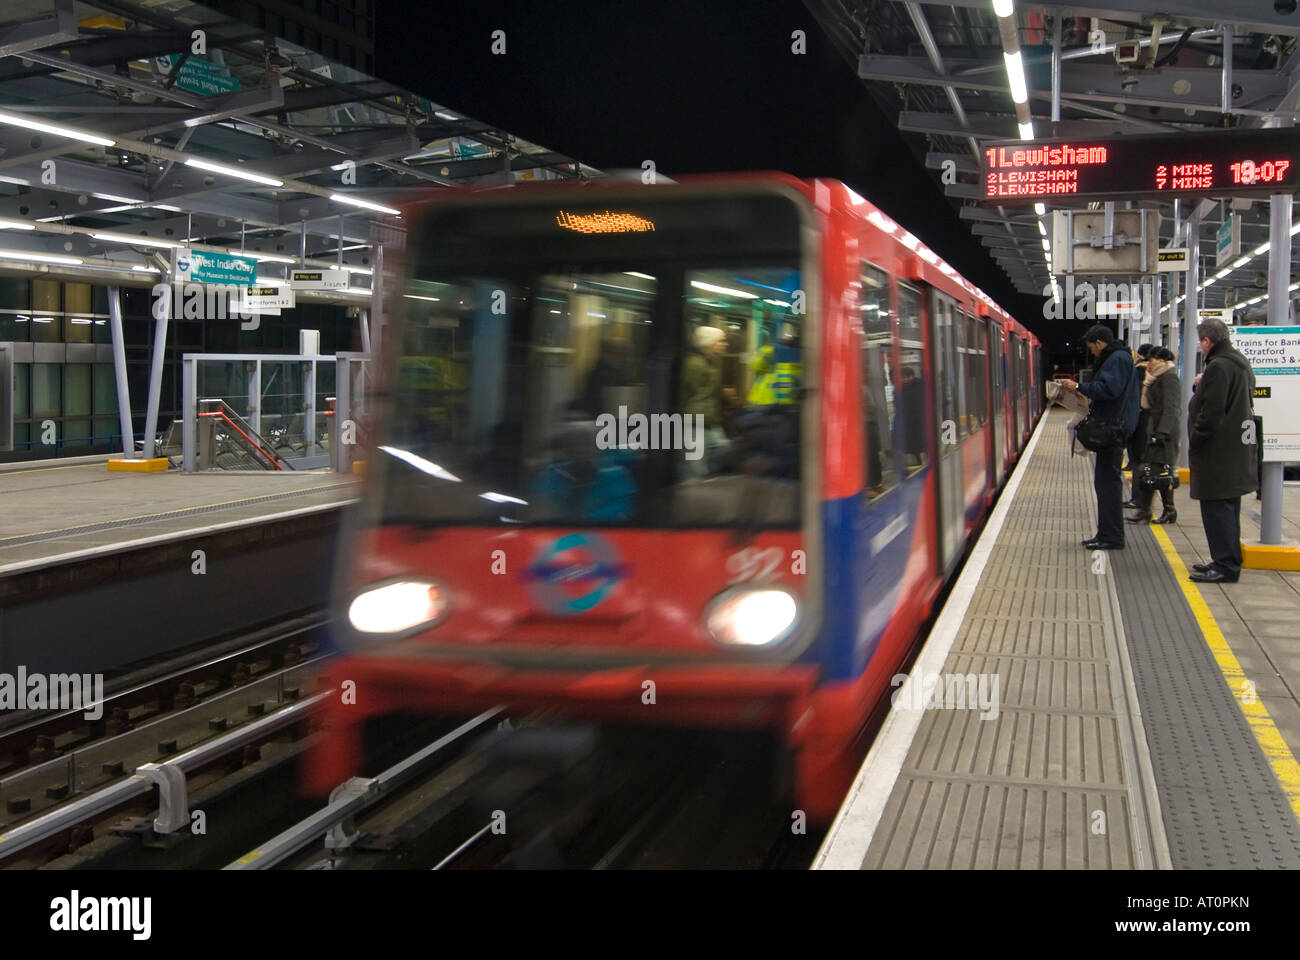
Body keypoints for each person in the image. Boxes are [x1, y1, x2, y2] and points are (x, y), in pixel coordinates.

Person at [1186, 318, 1257, 583]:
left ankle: (1225, 566)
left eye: (1200, 342)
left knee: (1216, 509)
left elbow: (1212, 412)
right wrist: (1201, 385)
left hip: (1218, 451)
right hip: (1235, 448)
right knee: (1228, 507)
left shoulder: (1218, 366)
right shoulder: (1238, 361)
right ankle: (1226, 559)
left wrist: (1197, 439)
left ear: (1207, 341)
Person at [1060, 324, 1140, 550]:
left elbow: (1108, 390)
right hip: (1115, 427)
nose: (1093, 353)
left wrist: (1079, 386)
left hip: (1113, 429)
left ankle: (1112, 536)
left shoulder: (1116, 359)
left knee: (1107, 484)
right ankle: (1106, 533)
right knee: (1106, 483)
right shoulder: (1121, 358)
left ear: (1099, 343)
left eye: (1092, 349)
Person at [1126, 346, 1181, 525]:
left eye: (1152, 360)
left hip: (1164, 433)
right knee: (1153, 471)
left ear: (1162, 361)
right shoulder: (1157, 378)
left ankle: (1153, 510)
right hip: (1156, 430)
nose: (1149, 363)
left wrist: (1162, 433)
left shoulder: (1169, 378)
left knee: (1155, 471)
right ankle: (1158, 510)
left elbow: (1171, 408)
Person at [680, 324, 729, 478]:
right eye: (721, 341)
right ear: (709, 343)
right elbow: (686, 392)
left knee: (723, 451)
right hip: (695, 422)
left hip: (709, 421)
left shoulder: (712, 362)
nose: (725, 344)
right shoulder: (695, 364)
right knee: (695, 467)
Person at [1123, 344, 1154, 507]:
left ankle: (1139, 500)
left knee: (1139, 463)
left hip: (1141, 425)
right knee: (1140, 462)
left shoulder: (1141, 372)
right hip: (1144, 424)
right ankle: (1139, 500)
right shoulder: (1149, 374)